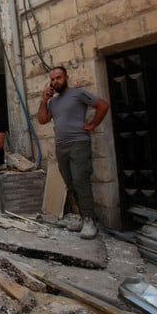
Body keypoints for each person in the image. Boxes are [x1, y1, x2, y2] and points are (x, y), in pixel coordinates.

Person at [37, 66, 110, 240]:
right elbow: (42, 120)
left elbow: (102, 105)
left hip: (78, 143)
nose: (56, 82)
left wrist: (92, 125)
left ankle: (90, 221)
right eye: (53, 79)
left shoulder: (78, 94)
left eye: (59, 78)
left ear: (66, 77)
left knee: (81, 181)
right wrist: (43, 101)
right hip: (61, 145)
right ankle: (81, 217)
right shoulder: (53, 102)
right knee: (70, 183)